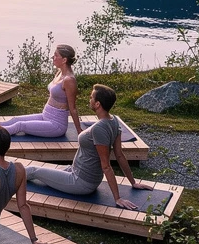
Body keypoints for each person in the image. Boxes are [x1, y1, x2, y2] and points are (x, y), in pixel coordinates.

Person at [23, 84, 154, 209]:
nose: (89, 99)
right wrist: (133, 183)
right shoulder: (113, 121)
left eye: (91, 97)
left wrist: (117, 198)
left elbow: (106, 166)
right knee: (39, 170)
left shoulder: (99, 129)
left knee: (35, 171)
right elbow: (119, 155)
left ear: (98, 104)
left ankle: (6, 177)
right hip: (77, 171)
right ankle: (10, 171)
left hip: (80, 182)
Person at [0, 44, 82, 138]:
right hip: (46, 116)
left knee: (20, 125)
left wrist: (79, 132)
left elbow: (73, 108)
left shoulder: (69, 80)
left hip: (56, 125)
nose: (53, 57)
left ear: (64, 60)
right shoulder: (59, 73)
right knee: (15, 120)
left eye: (56, 55)